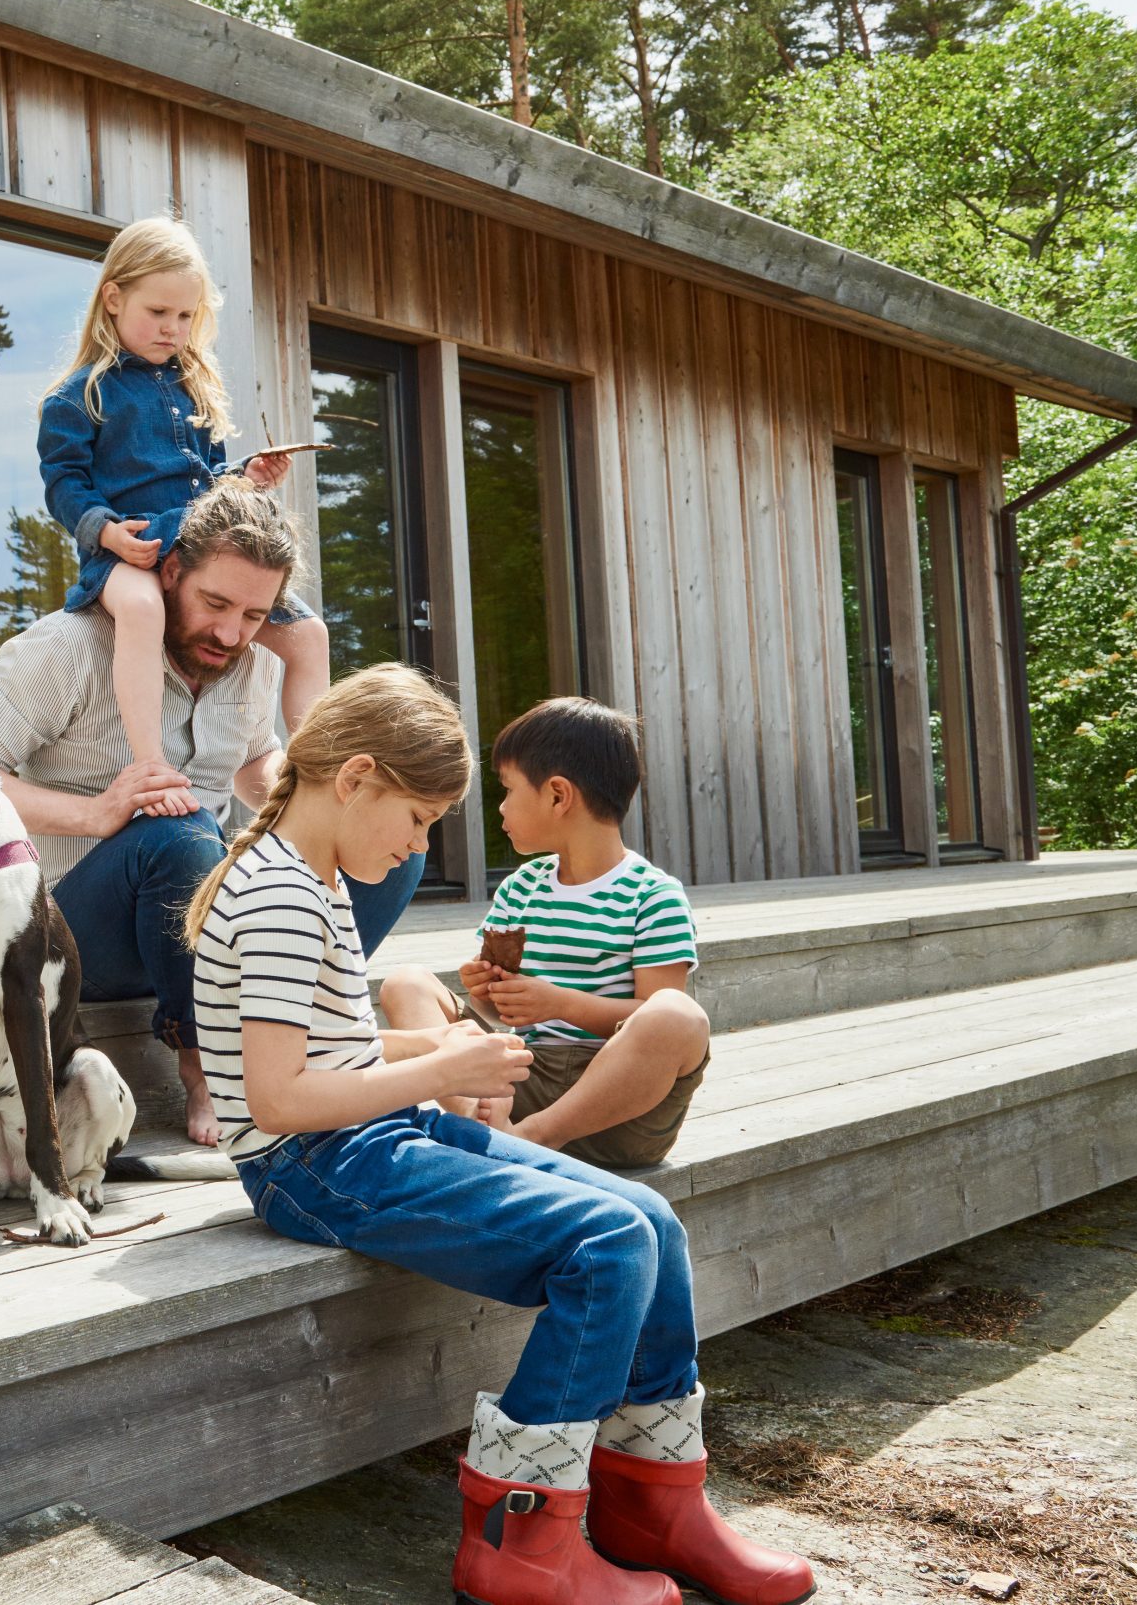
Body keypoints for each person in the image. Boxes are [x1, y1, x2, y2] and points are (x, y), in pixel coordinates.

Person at [185, 665, 812, 1605]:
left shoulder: (304, 874)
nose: (415, 847)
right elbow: (275, 1100)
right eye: (419, 818)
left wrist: (434, 1040)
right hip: (314, 1164)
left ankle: (652, 1501)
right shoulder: (279, 893)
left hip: (363, 1133)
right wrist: (442, 1073)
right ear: (355, 778)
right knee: (604, 1243)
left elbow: (331, 1045)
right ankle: (521, 1541)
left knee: (647, 1215)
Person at [0, 477, 427, 1146]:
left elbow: (253, 764)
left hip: (198, 922)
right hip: (69, 930)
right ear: (172, 570)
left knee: (390, 850)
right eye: (214, 603)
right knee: (181, 834)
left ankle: (308, 1040)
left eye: (252, 615)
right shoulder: (63, 648)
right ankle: (205, 1066)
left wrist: (322, 797)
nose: (229, 631)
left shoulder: (254, 659)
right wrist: (96, 813)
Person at [38, 215, 329, 786]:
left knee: (309, 634)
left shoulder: (192, 389)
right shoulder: (78, 397)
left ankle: (317, 774)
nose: (172, 328)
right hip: (132, 549)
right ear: (114, 298)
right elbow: (64, 484)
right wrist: (106, 532)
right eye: (158, 313)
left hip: (206, 551)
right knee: (144, 610)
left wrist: (247, 478)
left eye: (185, 316)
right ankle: (150, 763)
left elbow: (209, 480)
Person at [378, 697, 711, 1166]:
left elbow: (650, 1015)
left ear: (557, 795)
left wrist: (561, 1004)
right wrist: (486, 989)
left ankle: (530, 1140)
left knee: (678, 1015)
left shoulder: (653, 895)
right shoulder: (520, 889)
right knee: (406, 983)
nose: (501, 808)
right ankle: (478, 1120)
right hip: (520, 1083)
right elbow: (493, 1013)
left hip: (615, 1110)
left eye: (509, 790)